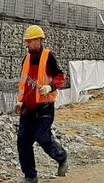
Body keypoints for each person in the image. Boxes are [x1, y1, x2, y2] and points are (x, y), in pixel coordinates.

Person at [16, 25, 68, 183]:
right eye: (26, 41)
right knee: (23, 141)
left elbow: (60, 76)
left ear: (39, 40)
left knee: (42, 137)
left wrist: (50, 87)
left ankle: (62, 156)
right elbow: (24, 83)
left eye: (30, 41)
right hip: (27, 108)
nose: (27, 44)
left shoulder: (48, 56)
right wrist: (20, 101)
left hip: (44, 107)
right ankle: (30, 177)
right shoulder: (26, 59)